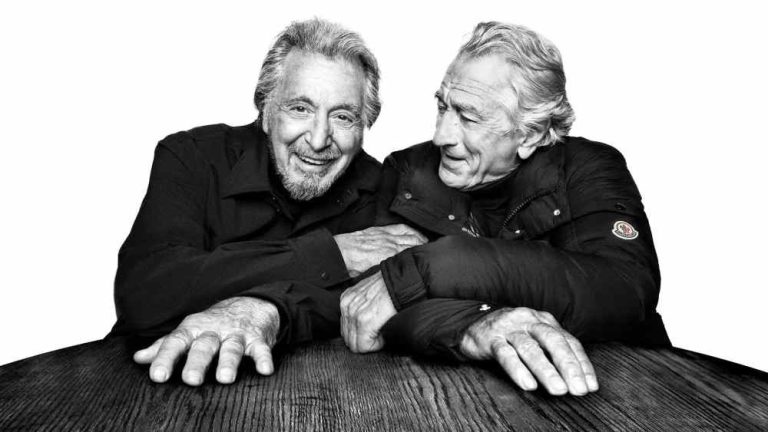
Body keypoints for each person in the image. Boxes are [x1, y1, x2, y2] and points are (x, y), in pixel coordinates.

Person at [340, 21, 670, 396]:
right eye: (442, 106)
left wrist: (428, 267)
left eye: (468, 117)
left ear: (529, 134)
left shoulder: (588, 168)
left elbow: (624, 289)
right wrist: (475, 325)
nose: (441, 135)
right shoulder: (407, 170)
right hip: (455, 395)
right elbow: (373, 307)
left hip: (620, 387)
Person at [113, 18, 426, 386]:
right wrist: (331, 255)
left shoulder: (385, 187)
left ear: (363, 127)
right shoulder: (192, 158)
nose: (318, 140)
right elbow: (145, 295)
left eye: (343, 117)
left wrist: (266, 307)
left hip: (323, 387)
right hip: (149, 379)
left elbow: (383, 304)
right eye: (300, 109)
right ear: (265, 110)